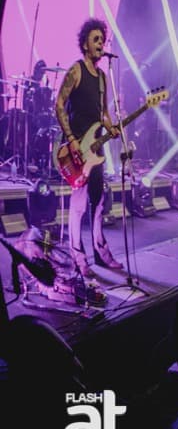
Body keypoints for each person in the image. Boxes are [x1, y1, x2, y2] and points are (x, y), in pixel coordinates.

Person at [55, 18, 123, 277]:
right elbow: (59, 105)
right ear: (85, 44)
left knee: (98, 200)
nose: (101, 44)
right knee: (79, 204)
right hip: (77, 149)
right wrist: (71, 138)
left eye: (102, 40)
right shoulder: (76, 71)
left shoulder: (103, 78)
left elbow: (103, 113)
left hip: (97, 149)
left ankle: (100, 251)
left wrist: (111, 127)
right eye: (96, 39)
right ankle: (77, 256)